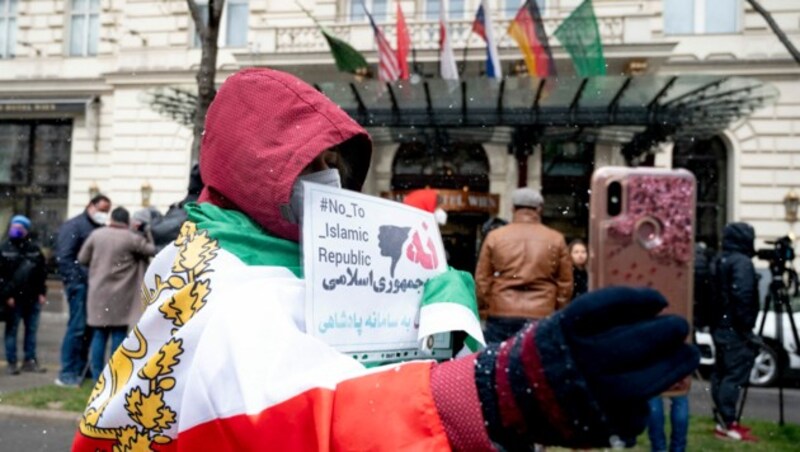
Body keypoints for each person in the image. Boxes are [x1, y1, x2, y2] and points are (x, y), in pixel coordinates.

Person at [73, 69, 698, 450]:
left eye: (333, 165)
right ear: (249, 175)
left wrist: (436, 297)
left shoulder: (272, 255)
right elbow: (302, 420)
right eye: (307, 164)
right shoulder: (223, 283)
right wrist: (498, 393)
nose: (328, 181)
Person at [475, 187, 573, 343]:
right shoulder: (556, 239)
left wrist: (486, 309)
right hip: (542, 312)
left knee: (498, 363)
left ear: (513, 208)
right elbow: (565, 284)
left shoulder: (495, 237)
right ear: (539, 209)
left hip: (502, 311)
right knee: (537, 363)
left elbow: (482, 280)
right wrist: (557, 310)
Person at [78, 207, 156, 381]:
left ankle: (97, 376)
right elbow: (152, 250)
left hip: (98, 293)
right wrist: (146, 232)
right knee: (118, 334)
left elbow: (83, 258)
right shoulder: (132, 239)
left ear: (111, 218)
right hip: (122, 295)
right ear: (126, 221)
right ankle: (114, 376)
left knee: (98, 335)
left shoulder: (96, 235)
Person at [710, 222, 760, 442]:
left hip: (720, 325)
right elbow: (743, 294)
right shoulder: (741, 262)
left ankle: (723, 421)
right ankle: (729, 423)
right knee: (734, 374)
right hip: (734, 328)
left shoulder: (720, 259)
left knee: (721, 373)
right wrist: (746, 325)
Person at [54, 194, 111, 387]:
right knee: (77, 328)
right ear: (90, 206)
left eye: (107, 211)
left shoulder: (98, 228)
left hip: (93, 286)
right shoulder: (74, 226)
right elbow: (65, 257)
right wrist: (76, 280)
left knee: (87, 328)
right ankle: (67, 372)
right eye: (102, 209)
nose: (104, 214)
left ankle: (79, 368)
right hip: (80, 285)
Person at [1, 215, 48, 375]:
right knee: (12, 331)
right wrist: (7, 295)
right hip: (13, 299)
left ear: (26, 230)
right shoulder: (4, 249)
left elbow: (42, 272)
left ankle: (29, 360)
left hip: (32, 297)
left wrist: (42, 292)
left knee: (31, 330)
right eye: (14, 226)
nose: (16, 229)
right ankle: (12, 362)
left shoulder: (33, 250)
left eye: (20, 227)